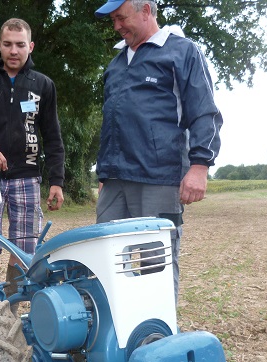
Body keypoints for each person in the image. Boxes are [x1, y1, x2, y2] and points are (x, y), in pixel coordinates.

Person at [93, 0, 223, 301]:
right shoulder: (116, 63)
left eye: (121, 18)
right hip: (114, 181)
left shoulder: (182, 51)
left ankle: (159, 338)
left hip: (159, 178)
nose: (116, 26)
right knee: (106, 262)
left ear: (146, 11)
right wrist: (105, 171)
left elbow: (204, 112)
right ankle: (118, 336)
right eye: (112, 20)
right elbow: (112, 119)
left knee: (156, 263)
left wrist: (200, 165)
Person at [0, 18, 65, 296]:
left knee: (24, 245)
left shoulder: (43, 85)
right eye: (7, 44)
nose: (13, 51)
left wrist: (57, 180)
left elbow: (52, 135)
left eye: (20, 45)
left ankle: (10, 311)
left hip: (28, 177)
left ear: (30, 46)